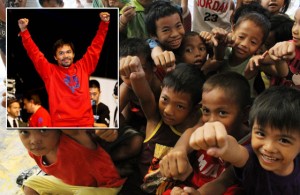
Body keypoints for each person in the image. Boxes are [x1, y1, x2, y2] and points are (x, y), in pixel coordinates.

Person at [189, 86, 300, 194]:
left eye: (284, 140)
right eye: (261, 134)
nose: (268, 147)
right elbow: (237, 152)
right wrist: (219, 140)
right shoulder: (252, 159)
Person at [120, 58, 205, 194]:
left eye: (180, 106)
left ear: (194, 108)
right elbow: (145, 97)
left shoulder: (198, 125)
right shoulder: (155, 118)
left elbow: (194, 129)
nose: (167, 110)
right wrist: (137, 75)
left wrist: (181, 149)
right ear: (160, 92)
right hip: (135, 188)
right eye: (165, 99)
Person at [159, 71, 252, 195]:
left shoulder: (249, 143)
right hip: (189, 184)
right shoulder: (203, 123)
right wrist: (179, 151)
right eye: (206, 111)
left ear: (245, 114)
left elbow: (224, 181)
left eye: (222, 113)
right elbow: (190, 132)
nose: (211, 121)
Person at [17, 12, 111, 127]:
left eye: (68, 52)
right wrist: (24, 31)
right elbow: (35, 54)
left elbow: (96, 46)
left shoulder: (84, 67)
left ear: (73, 54)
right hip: (62, 126)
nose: (65, 56)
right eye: (61, 53)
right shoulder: (50, 71)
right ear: (55, 57)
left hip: (86, 124)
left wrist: (104, 24)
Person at [19, 129, 125, 195]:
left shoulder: (76, 138)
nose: (33, 141)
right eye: (24, 132)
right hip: (72, 186)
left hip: (105, 187)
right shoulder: (36, 151)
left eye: (43, 130)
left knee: (83, 193)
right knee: (30, 184)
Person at [204, 12, 271, 97]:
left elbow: (280, 70)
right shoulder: (225, 51)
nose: (244, 44)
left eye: (253, 42)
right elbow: (218, 55)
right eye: (241, 37)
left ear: (260, 46)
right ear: (233, 29)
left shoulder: (254, 63)